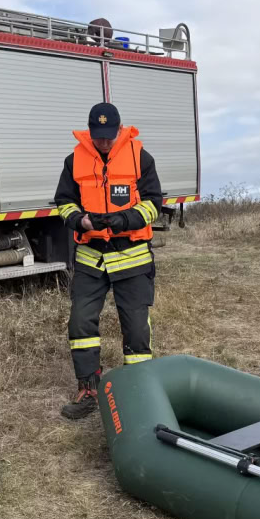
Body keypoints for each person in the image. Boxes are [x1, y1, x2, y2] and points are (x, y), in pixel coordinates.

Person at [54, 102, 163, 419]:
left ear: (119, 129)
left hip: (131, 257)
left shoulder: (140, 156)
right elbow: (63, 203)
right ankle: (89, 389)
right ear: (90, 132)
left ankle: (138, 391)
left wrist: (126, 219)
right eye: (98, 136)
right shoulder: (74, 160)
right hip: (91, 258)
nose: (103, 142)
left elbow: (155, 203)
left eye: (109, 136)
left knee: (137, 330)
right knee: (80, 322)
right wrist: (80, 221)